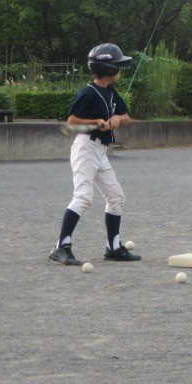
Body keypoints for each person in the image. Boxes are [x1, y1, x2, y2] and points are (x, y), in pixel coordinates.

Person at [49, 43, 140, 265]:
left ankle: (113, 247)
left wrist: (117, 119)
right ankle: (60, 247)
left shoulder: (111, 92)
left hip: (101, 151)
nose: (120, 70)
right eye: (117, 66)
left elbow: (126, 117)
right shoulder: (88, 93)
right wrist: (95, 122)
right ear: (109, 69)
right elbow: (72, 121)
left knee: (116, 197)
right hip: (86, 148)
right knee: (83, 196)